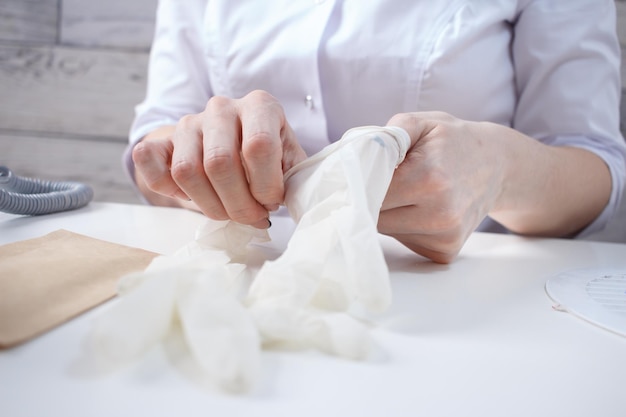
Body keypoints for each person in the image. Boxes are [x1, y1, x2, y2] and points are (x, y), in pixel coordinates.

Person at [124, 0, 626, 264]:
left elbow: (597, 164)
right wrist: (190, 163)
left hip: (466, 298)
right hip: (251, 281)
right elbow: (157, 132)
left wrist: (501, 170)